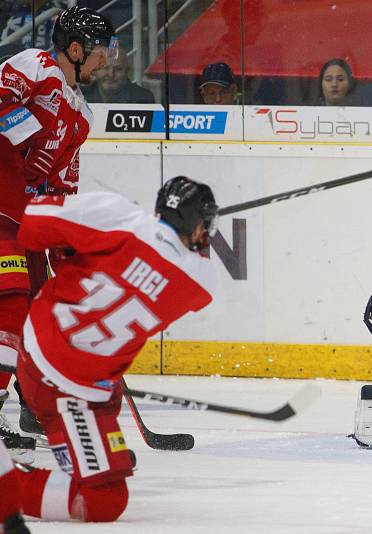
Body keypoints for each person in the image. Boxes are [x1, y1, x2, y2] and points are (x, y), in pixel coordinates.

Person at [2, 176, 218, 527]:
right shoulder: (200, 281)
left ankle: (91, 453)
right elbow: (176, 261)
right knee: (102, 500)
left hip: (48, 355)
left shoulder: (117, 216)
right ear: (196, 224)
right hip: (62, 385)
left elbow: (31, 229)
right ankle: (7, 488)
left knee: (108, 395)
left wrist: (71, 248)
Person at [0, 5, 118, 462]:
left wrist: (66, 240)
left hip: (24, 218)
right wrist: (23, 135)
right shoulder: (36, 67)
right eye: (100, 51)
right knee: (11, 298)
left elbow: (61, 184)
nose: (106, 60)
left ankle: (33, 404)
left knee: (38, 309)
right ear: (75, 49)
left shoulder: (81, 114)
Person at [82, 46, 155, 104]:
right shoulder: (80, 97)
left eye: (118, 69)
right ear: (94, 71)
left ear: (127, 71)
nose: (111, 74)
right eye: (105, 68)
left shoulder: (143, 98)